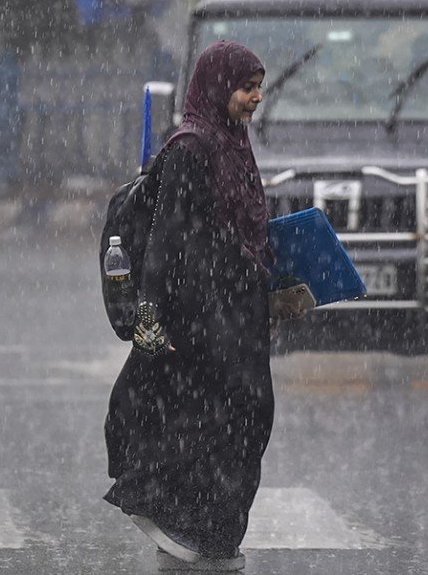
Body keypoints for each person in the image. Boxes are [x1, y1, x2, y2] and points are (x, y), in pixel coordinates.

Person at [104, 40, 276, 571]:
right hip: (200, 316)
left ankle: (215, 536)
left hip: (237, 311)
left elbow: (243, 229)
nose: (255, 98)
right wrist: (150, 322)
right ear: (220, 86)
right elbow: (164, 242)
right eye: (247, 87)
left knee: (247, 416)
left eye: (258, 87)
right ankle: (181, 521)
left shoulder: (232, 142)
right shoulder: (190, 150)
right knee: (207, 420)